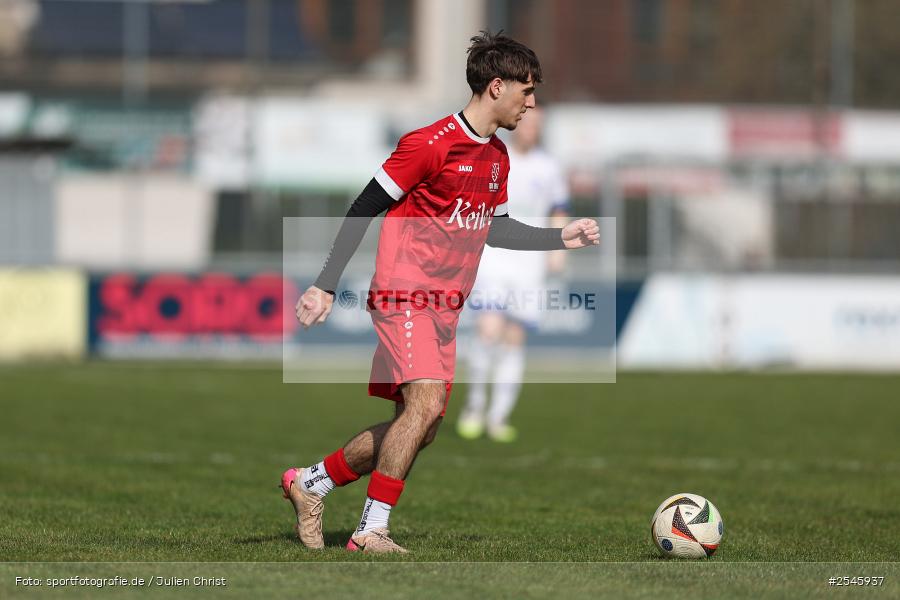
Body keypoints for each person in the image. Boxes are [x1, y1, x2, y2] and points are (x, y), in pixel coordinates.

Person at [282, 31, 599, 554]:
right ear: (496, 86)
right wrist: (324, 285)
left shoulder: (498, 157)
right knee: (425, 406)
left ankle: (309, 484)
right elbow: (364, 206)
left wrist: (557, 237)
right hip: (403, 294)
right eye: (527, 90)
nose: (533, 102)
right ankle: (371, 531)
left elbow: (495, 228)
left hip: (445, 308)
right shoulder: (428, 144)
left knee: (419, 425)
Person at [456, 106, 570, 443]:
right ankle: (475, 407)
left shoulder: (548, 168)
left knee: (514, 338)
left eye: (537, 124)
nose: (530, 128)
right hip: (493, 256)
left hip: (528, 263)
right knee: (488, 331)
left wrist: (557, 250)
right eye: (527, 121)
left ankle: (498, 417)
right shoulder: (494, 156)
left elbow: (559, 209)